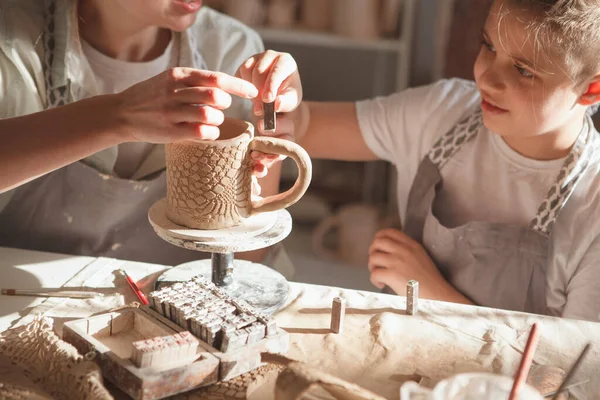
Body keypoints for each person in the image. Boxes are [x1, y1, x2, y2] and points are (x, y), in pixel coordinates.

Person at [242, 0, 600, 322]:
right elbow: (303, 127)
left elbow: (567, 374)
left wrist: (432, 292)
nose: (487, 78)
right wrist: (284, 95)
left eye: (523, 70)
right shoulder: (443, 113)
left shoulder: (592, 204)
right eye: (488, 45)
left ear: (591, 89)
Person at [0, 0, 280, 265]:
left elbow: (249, 254)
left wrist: (282, 116)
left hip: (174, 304)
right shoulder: (11, 40)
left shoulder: (231, 46)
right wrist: (115, 117)